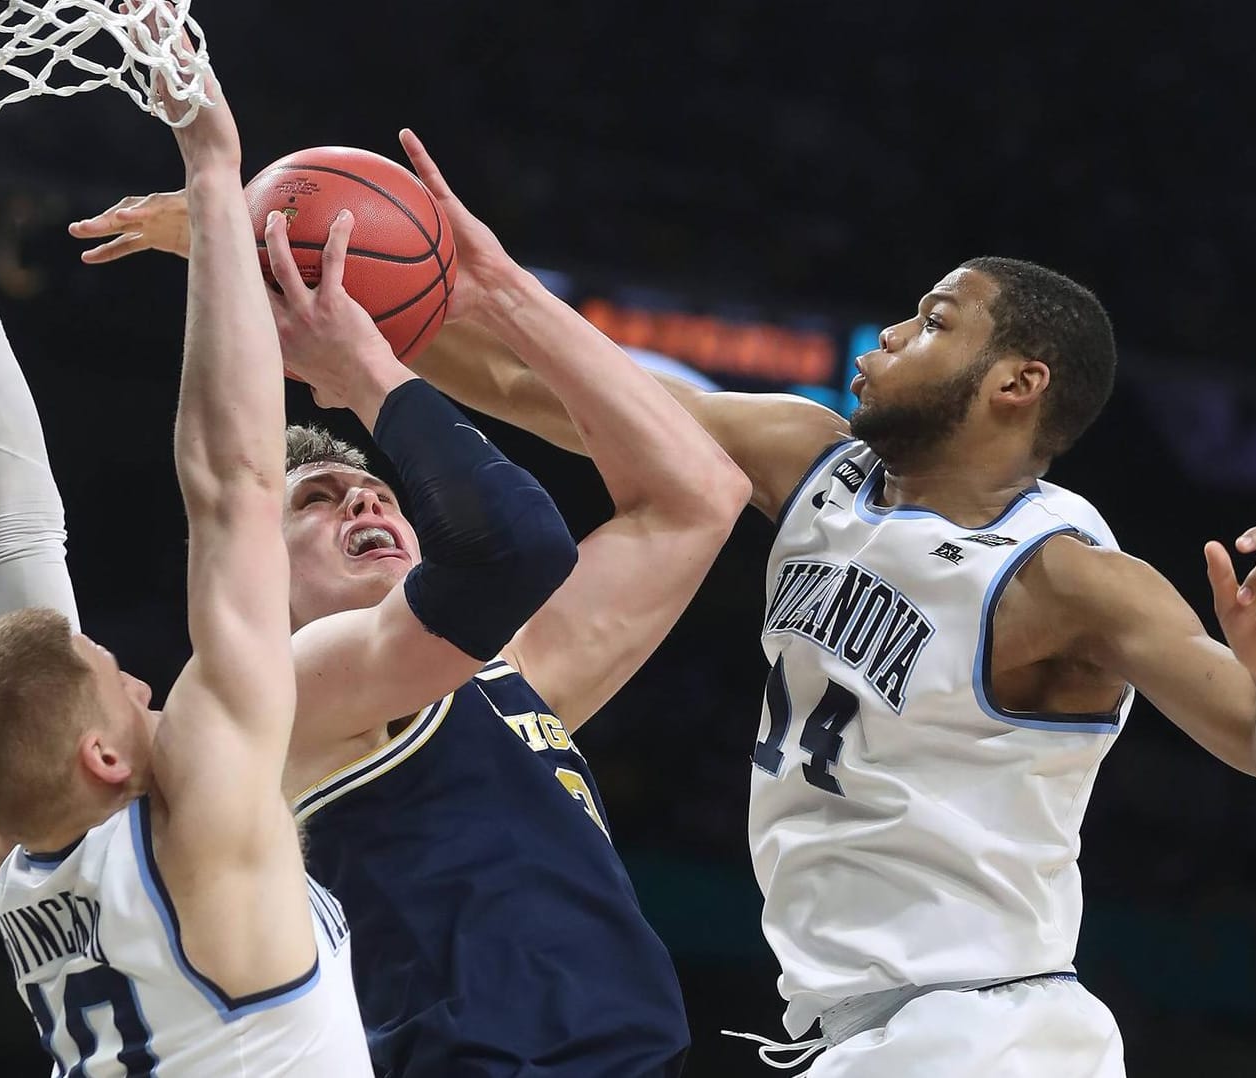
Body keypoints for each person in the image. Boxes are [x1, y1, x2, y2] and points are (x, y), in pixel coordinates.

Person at [398, 257, 1256, 1076]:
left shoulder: (1067, 576)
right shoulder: (806, 460)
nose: (890, 333)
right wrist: (360, 322)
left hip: (985, 1033)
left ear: (1016, 382)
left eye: (933, 321)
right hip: (865, 1031)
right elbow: (542, 388)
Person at [66, 130, 754, 1076]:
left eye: (379, 489)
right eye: (318, 499)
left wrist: (501, 292)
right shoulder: (281, 701)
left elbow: (698, 494)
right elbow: (507, 545)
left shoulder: (504, 677)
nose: (366, 494)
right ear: (250, 569)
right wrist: (368, 379)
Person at [0, 54, 375, 1076]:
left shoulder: (27, 848)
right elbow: (237, 486)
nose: (146, 679)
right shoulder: (201, 829)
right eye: (123, 682)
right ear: (104, 756)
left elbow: (11, 546)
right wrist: (210, 158)